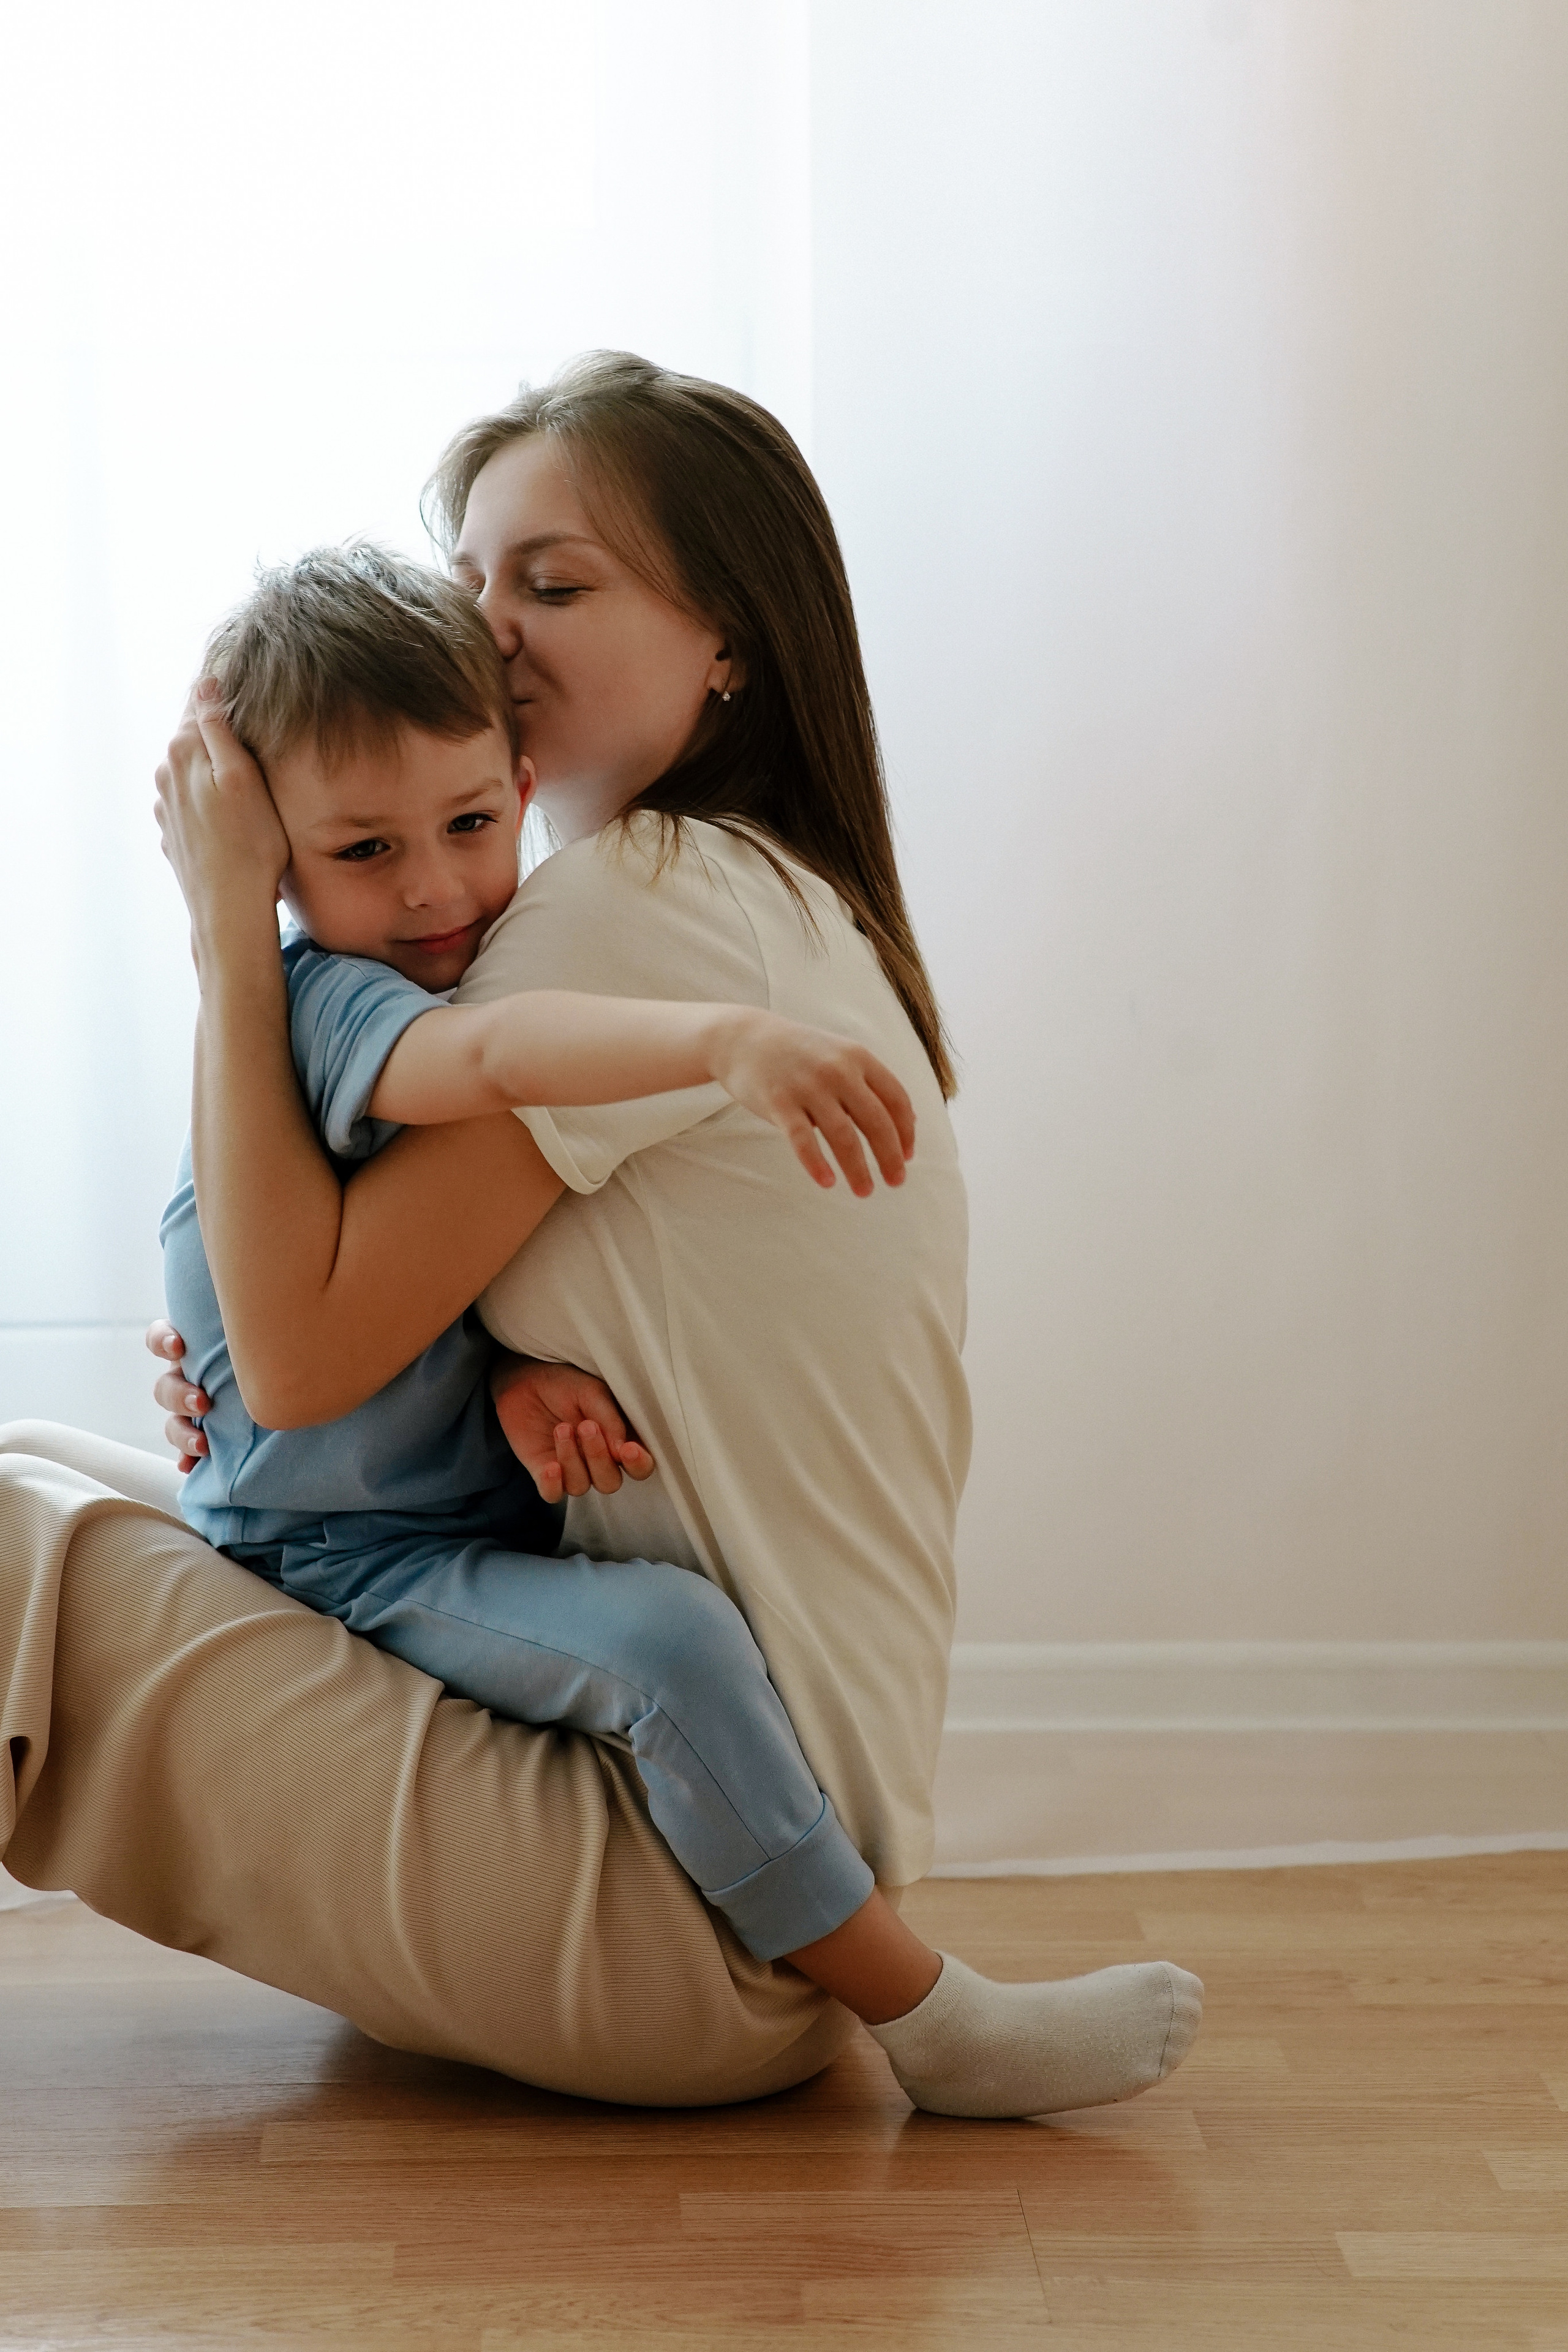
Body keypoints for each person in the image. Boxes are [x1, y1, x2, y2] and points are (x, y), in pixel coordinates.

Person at [5, 352, 1201, 2117]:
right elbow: (350, 1328)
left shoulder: (640, 906)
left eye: (553, 585)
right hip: (679, 1819)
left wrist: (225, 922)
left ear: (732, 641)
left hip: (674, 1895)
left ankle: (928, 2015)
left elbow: (306, 1353)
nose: (491, 634)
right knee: (35, 1462)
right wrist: (466, 1376)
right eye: (474, 580)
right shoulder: (721, 893)